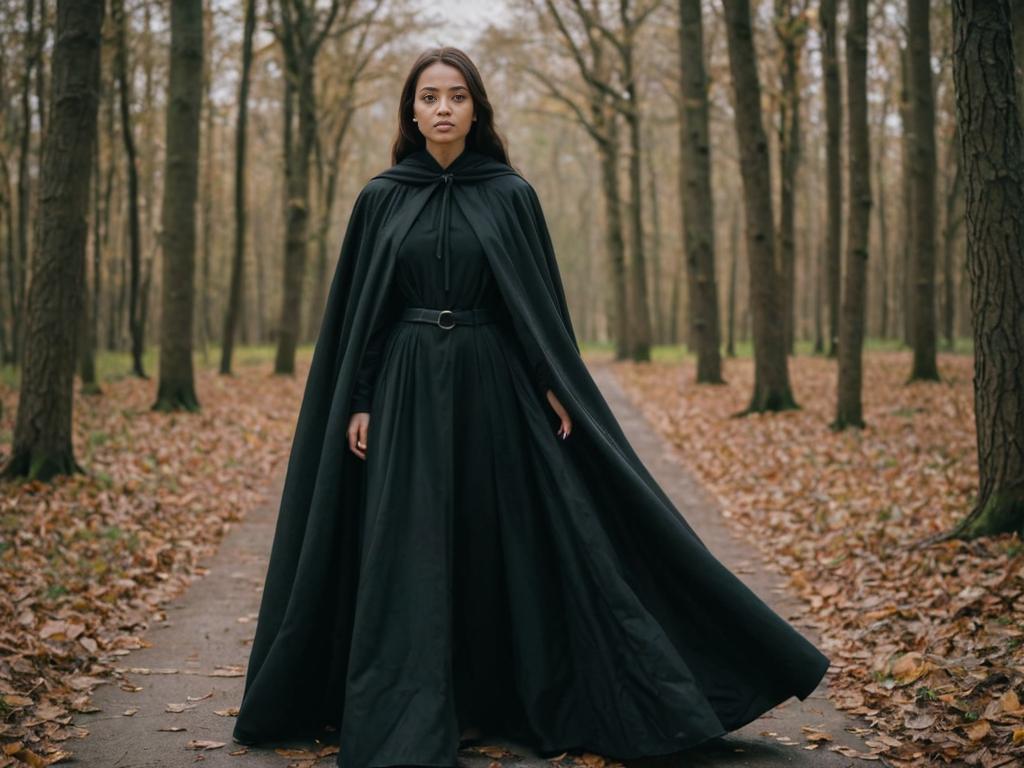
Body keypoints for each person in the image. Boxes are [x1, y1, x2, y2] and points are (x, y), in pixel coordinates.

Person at [232, 46, 831, 768]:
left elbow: (534, 307)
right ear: (411, 111)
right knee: (410, 546)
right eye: (429, 97)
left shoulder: (511, 194)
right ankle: (412, 711)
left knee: (495, 539)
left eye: (456, 95)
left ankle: (500, 699)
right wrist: (358, 401)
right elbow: (367, 315)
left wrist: (554, 382)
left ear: (476, 108)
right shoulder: (381, 197)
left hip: (493, 385)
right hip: (406, 388)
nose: (443, 108)